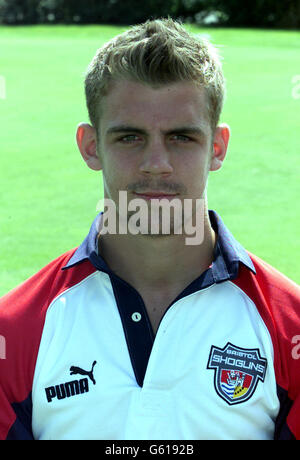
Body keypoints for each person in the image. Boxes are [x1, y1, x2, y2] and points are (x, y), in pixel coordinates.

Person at [0, 18, 300, 441]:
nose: (156, 163)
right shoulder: (14, 331)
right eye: (129, 137)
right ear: (91, 146)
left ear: (217, 148)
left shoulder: (289, 328)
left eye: (180, 138)